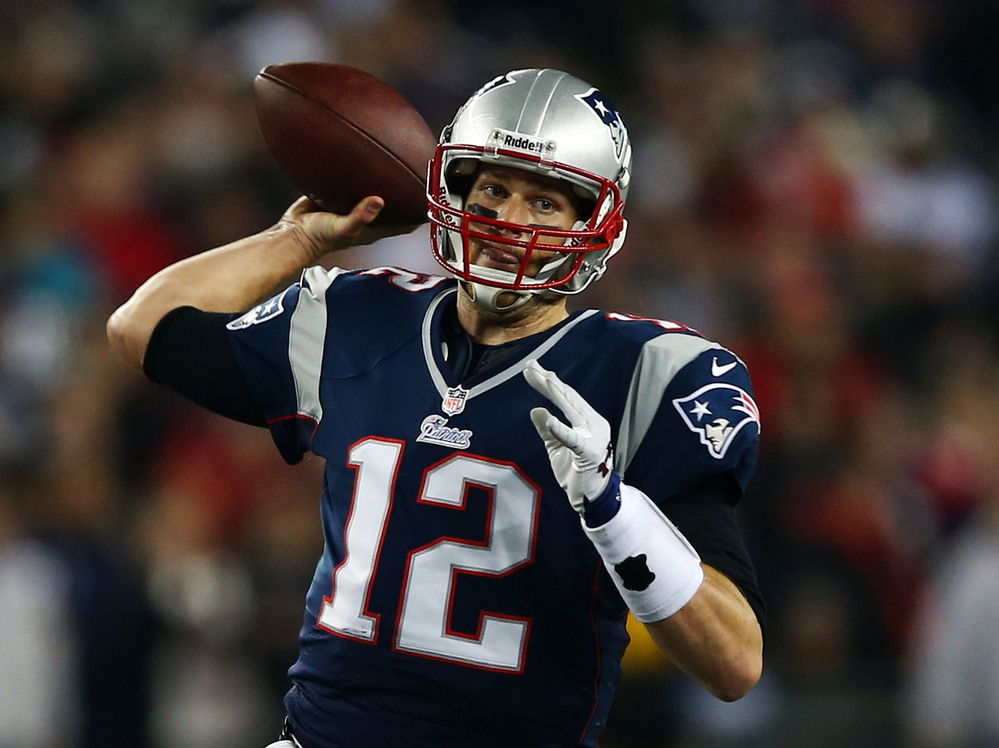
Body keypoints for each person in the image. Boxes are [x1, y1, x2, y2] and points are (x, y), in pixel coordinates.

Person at [107, 68, 765, 748]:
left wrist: (612, 512)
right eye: (493, 189)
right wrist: (297, 241)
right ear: (452, 193)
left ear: (594, 223)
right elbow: (142, 325)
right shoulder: (358, 313)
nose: (511, 220)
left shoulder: (648, 371)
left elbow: (733, 663)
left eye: (545, 203)